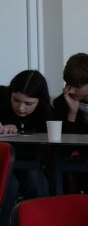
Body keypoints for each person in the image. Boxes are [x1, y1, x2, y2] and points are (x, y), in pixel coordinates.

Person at [0, 69, 52, 200]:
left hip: (31, 163)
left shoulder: (47, 113)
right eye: (16, 100)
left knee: (35, 182)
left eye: (28, 104)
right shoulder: (1, 98)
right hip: (3, 161)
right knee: (9, 185)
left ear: (39, 101)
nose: (21, 108)